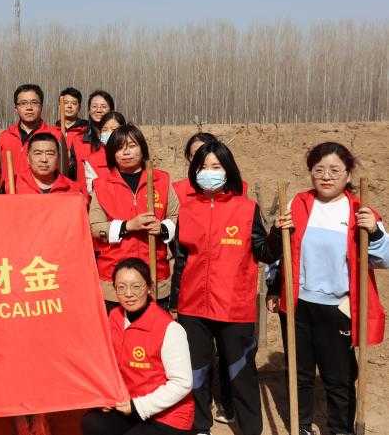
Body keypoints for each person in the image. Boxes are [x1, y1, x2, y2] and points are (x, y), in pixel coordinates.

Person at [268, 142, 388, 435]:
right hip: (298, 305)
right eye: (319, 169)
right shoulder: (298, 204)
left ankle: (340, 429)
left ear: (348, 174)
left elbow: (384, 258)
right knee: (301, 373)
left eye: (335, 170)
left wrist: (374, 231)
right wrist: (273, 286)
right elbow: (281, 255)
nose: (326, 176)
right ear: (311, 172)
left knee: (339, 377)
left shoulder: (360, 211)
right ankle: (302, 426)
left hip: (338, 307)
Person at [171, 141, 281, 435]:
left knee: (240, 373)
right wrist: (175, 302)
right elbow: (181, 259)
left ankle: (250, 429)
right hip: (193, 306)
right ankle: (200, 426)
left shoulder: (245, 208)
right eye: (202, 167)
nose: (208, 172)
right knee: (196, 372)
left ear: (228, 170)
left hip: (234, 306)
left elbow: (264, 252)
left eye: (215, 166)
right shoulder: (187, 210)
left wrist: (277, 235)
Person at [82, 258, 194, 435]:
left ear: (149, 287)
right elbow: (106, 364)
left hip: (168, 415)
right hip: (129, 403)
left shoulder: (170, 329)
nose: (128, 294)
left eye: (136, 286)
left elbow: (182, 383)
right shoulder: (114, 317)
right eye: (121, 287)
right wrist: (105, 396)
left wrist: (138, 406)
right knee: (92, 423)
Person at [88, 124, 178, 309]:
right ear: (112, 154)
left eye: (132, 145)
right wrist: (128, 226)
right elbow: (95, 227)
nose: (126, 152)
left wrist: (162, 228)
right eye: (120, 148)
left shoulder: (161, 180)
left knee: (154, 325)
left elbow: (176, 216)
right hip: (114, 276)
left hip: (155, 274)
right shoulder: (102, 185)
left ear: (142, 148)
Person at [0, 84, 63, 182]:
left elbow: (63, 176)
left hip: (43, 192)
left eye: (34, 102)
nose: (29, 107)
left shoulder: (55, 135)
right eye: (23, 103)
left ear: (41, 106)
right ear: (16, 108)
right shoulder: (4, 137)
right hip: (10, 192)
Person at [13, 132, 83, 195]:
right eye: (38, 153)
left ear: (58, 157)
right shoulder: (14, 185)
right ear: (28, 158)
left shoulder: (73, 189)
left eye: (50, 154)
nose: (44, 160)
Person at [79, 111, 126, 192]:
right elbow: (90, 190)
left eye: (114, 129)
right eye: (105, 129)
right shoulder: (91, 161)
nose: (109, 132)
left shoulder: (131, 156)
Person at [74, 90, 116, 169]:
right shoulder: (78, 139)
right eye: (94, 106)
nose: (98, 110)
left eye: (103, 107)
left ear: (111, 110)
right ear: (89, 111)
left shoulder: (120, 136)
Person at [57, 87, 89, 152]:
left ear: (79, 107)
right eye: (66, 103)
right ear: (60, 106)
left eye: (74, 103)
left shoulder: (87, 130)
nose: (69, 106)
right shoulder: (53, 131)